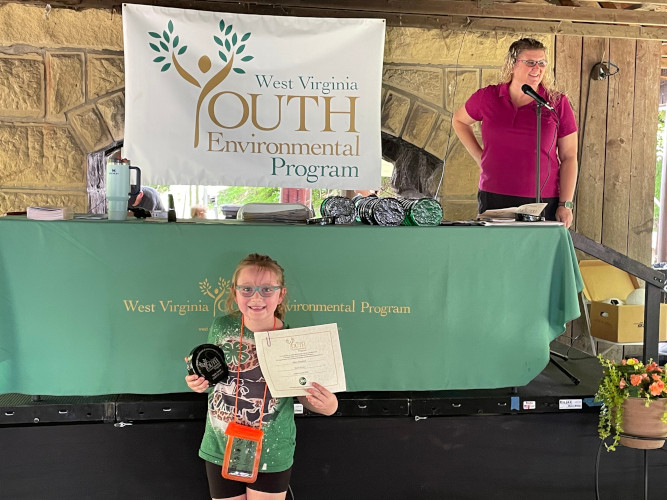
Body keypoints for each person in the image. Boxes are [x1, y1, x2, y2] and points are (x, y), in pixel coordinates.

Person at [185, 253, 338, 500]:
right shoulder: (221, 326)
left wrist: (328, 406)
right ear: (234, 292)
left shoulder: (294, 342)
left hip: (271, 452)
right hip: (220, 445)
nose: (256, 297)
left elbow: (307, 396)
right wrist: (197, 381)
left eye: (267, 289)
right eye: (247, 289)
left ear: (281, 294)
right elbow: (212, 379)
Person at [452, 37, 578, 228]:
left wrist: (565, 204)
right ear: (512, 65)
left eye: (542, 62)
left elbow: (569, 156)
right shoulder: (488, 97)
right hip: (494, 196)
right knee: (496, 255)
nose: (537, 68)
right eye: (530, 62)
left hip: (542, 200)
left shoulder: (556, 103)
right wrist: (481, 158)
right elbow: (459, 120)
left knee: (537, 257)